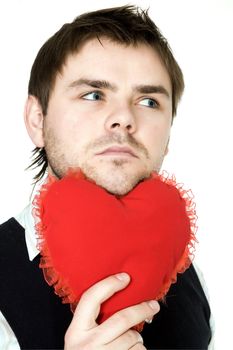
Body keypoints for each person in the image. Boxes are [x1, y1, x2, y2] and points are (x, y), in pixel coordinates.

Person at [0, 5, 213, 349]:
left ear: (168, 135)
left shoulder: (193, 280)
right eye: (94, 95)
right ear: (37, 120)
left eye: (148, 101)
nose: (124, 119)